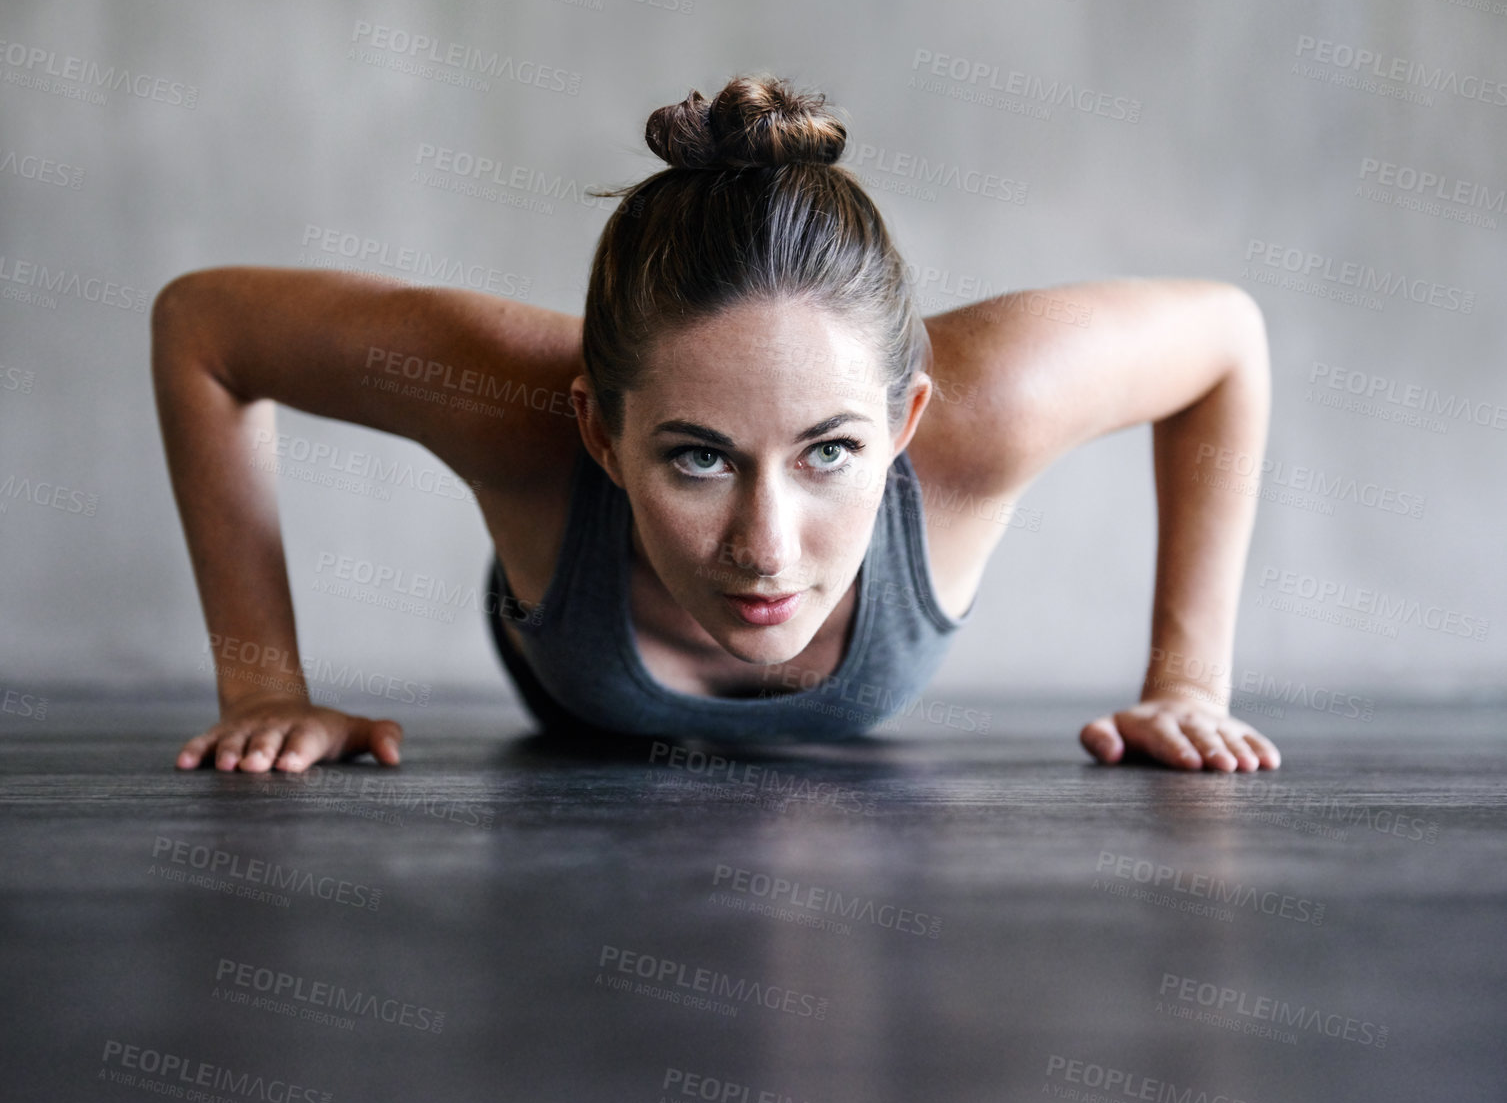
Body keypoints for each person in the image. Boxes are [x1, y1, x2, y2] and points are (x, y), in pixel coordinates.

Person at [152, 74, 1279, 775]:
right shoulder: (514, 408)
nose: (766, 549)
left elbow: (1224, 340)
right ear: (599, 433)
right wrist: (264, 689)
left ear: (907, 420)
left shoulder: (988, 411)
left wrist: (1188, 683)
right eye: (698, 458)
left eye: (829, 452)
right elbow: (204, 327)